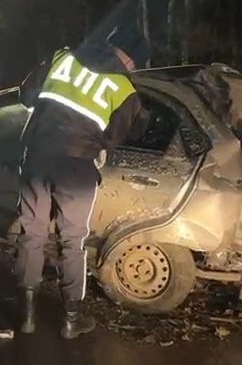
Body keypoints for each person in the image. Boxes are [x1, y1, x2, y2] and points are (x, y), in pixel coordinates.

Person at [15, 24, 149, 339]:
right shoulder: (124, 89)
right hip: (77, 168)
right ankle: (70, 322)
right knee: (72, 241)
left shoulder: (63, 57)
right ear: (131, 61)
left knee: (31, 234)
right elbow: (116, 137)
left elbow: (26, 94)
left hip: (37, 156)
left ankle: (27, 318)